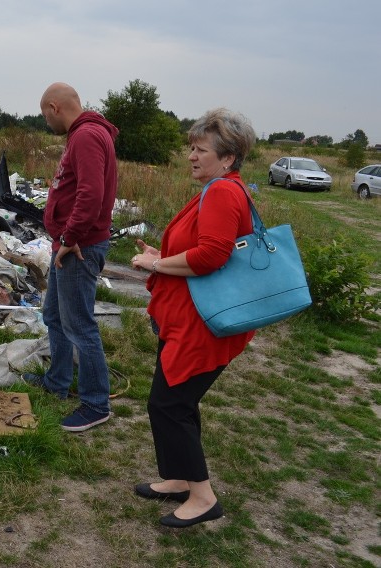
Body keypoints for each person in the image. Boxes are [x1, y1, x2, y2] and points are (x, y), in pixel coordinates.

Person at [130, 108, 257, 527]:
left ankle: (203, 498)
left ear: (228, 158)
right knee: (176, 402)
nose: (191, 156)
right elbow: (202, 249)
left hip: (201, 324)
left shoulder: (222, 192)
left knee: (169, 405)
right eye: (191, 148)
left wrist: (157, 266)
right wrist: (161, 257)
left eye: (201, 149)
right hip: (190, 318)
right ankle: (179, 478)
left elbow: (211, 256)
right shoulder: (217, 188)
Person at [34, 82, 119, 432]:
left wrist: (70, 236)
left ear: (55, 107)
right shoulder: (86, 134)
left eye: (45, 115)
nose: (46, 123)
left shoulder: (85, 136)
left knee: (79, 324)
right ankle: (57, 382)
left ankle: (96, 403)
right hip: (68, 245)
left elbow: (91, 192)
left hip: (78, 248)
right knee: (54, 314)